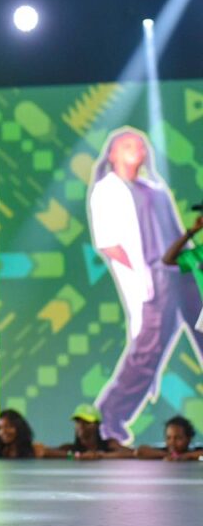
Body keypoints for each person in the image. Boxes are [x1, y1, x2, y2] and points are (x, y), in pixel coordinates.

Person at [88, 130, 203, 443]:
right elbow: (110, 243)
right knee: (148, 351)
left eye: (140, 144)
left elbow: (176, 233)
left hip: (183, 273)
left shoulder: (156, 189)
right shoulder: (108, 190)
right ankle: (108, 420)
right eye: (127, 144)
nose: (136, 148)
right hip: (154, 277)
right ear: (112, 153)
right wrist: (139, 276)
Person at [48, 404, 132, 460]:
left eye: (86, 422)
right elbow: (44, 452)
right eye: (78, 421)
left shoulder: (110, 444)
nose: (81, 425)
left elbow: (133, 453)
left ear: (97, 425)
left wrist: (101, 455)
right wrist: (78, 456)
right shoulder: (68, 449)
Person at [135, 415, 203, 461]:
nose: (172, 442)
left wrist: (187, 456)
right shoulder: (162, 451)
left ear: (188, 439)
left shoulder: (195, 451)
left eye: (178, 438)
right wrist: (170, 455)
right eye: (168, 438)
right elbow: (140, 451)